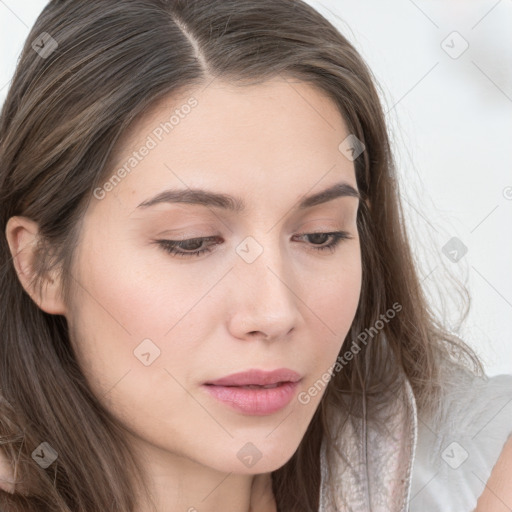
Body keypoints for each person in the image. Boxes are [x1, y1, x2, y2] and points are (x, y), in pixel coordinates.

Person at [0, 1, 510, 511]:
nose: (275, 313)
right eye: (191, 242)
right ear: (42, 265)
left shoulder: (482, 468)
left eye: (319, 235)